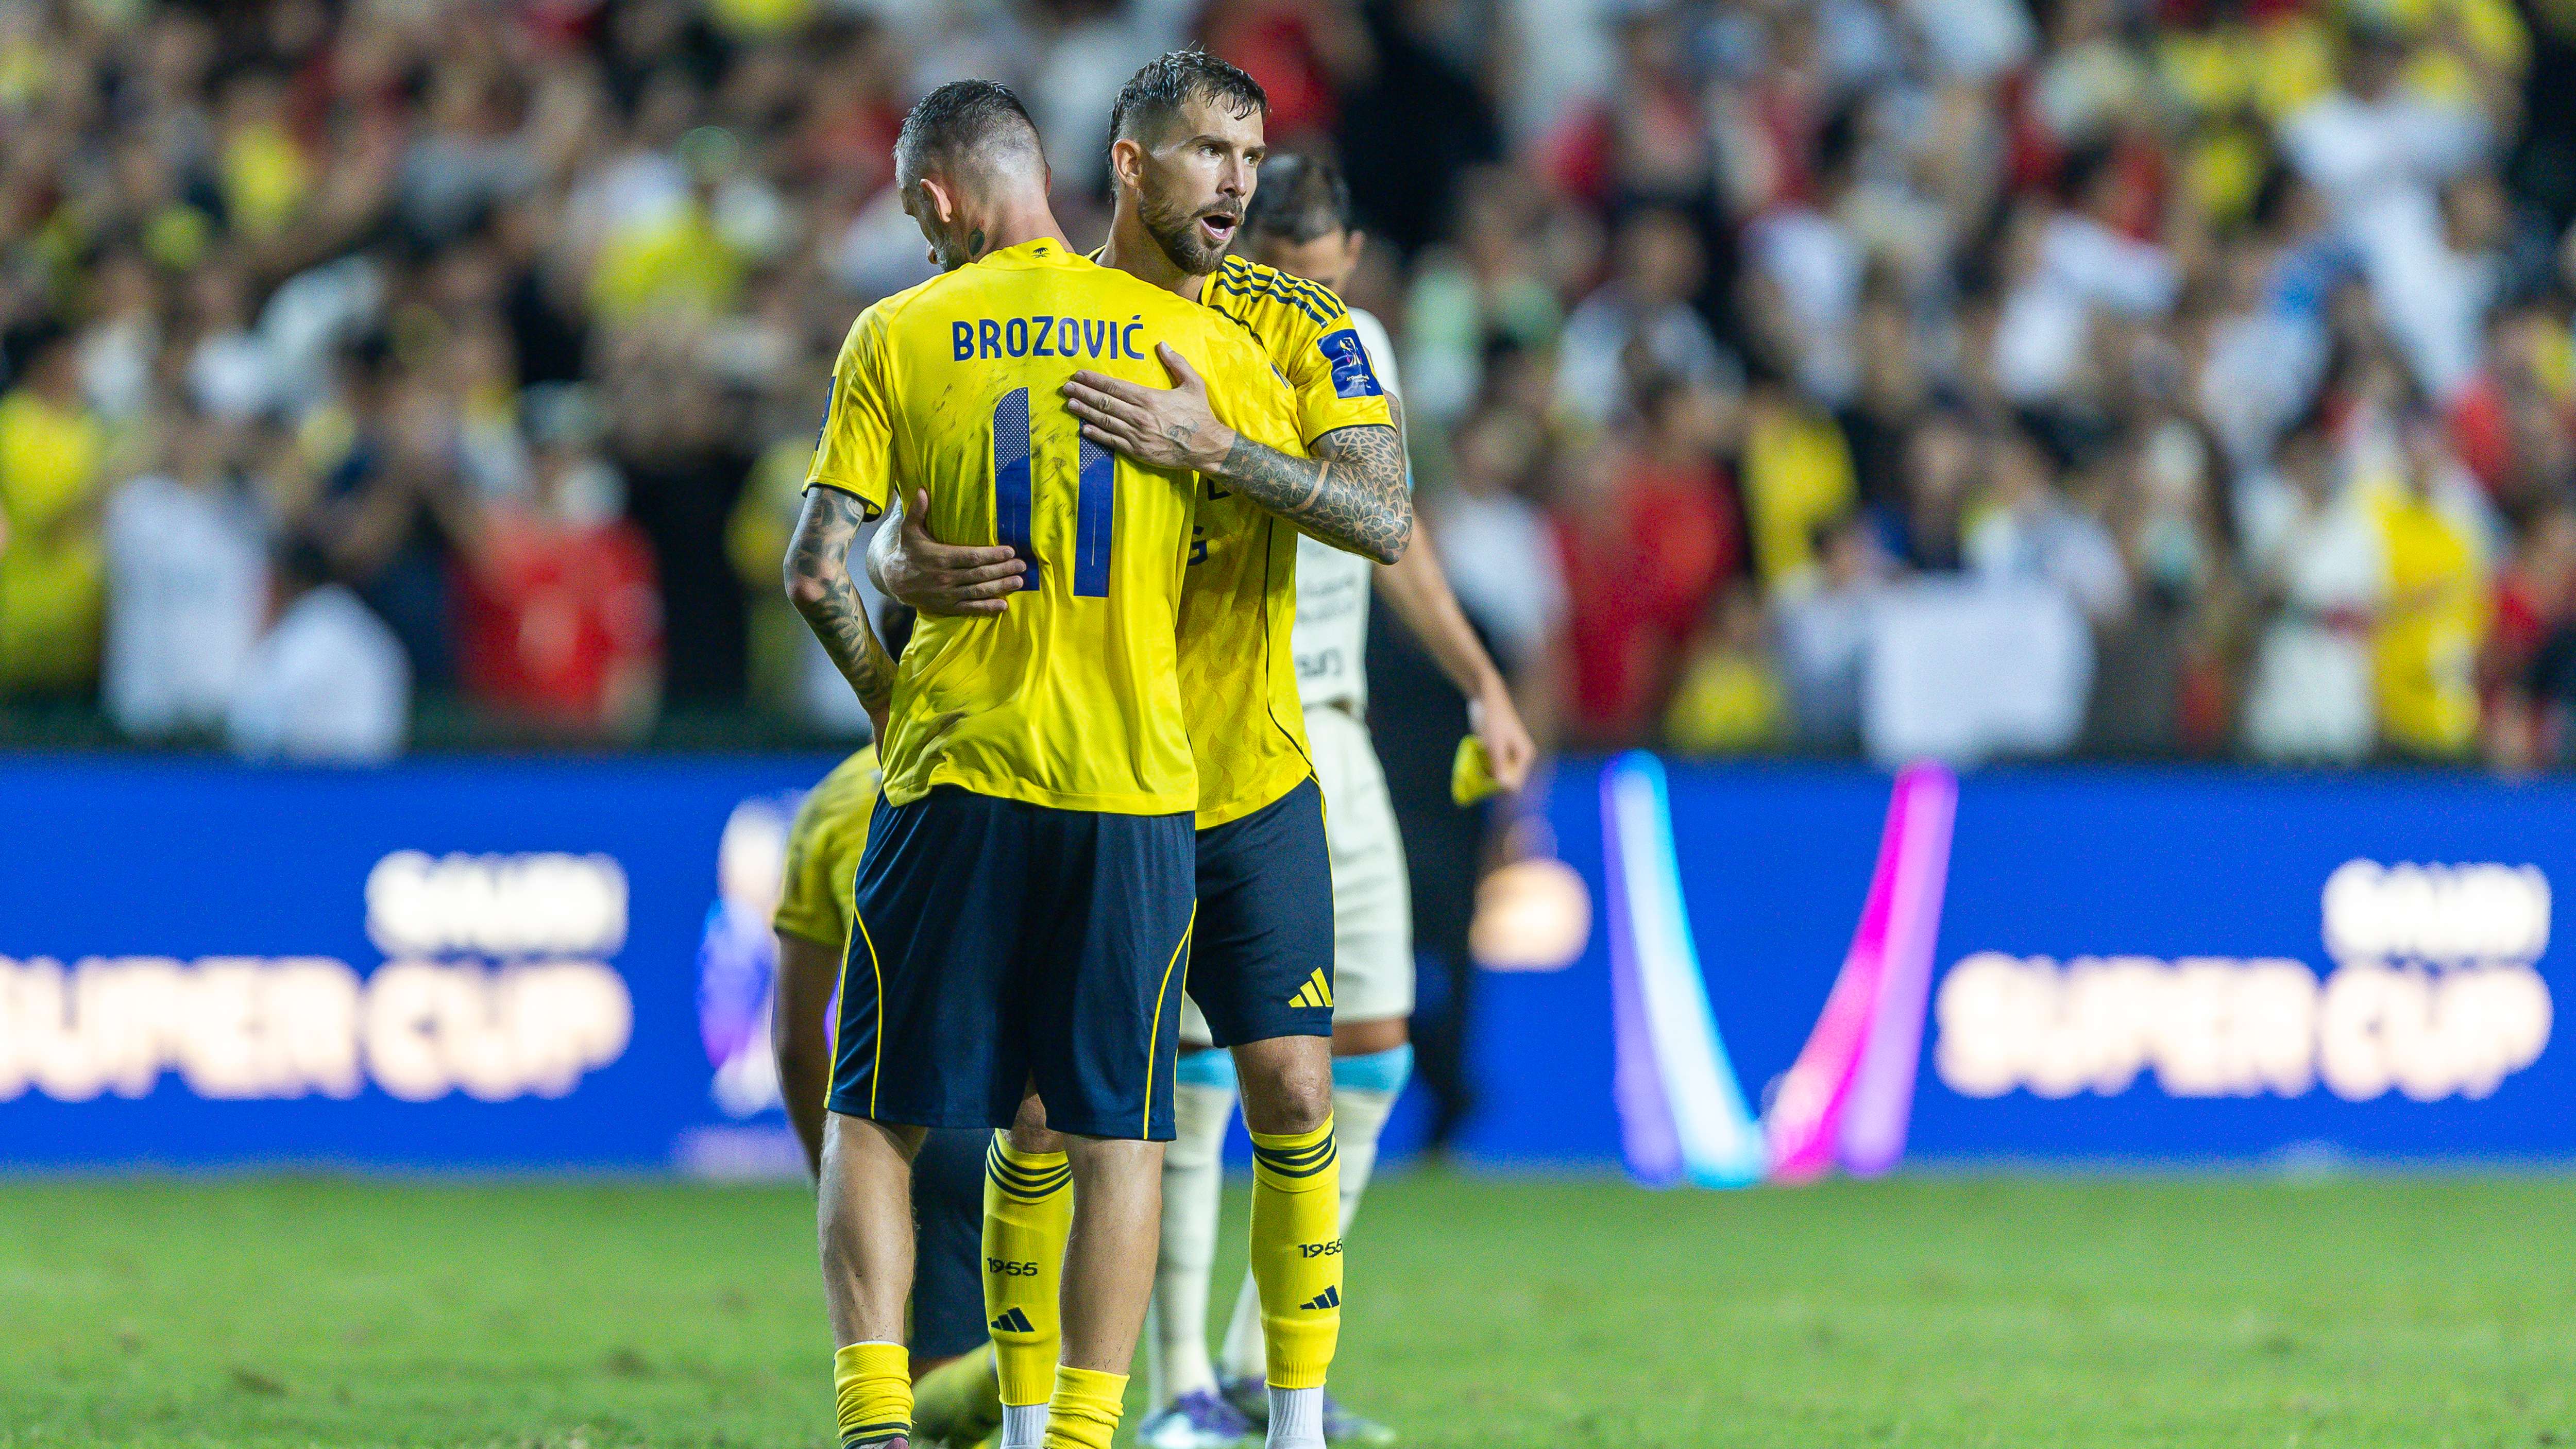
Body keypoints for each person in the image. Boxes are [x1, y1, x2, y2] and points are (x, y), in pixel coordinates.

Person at [868, 54, 1416, 1449]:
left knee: (1293, 1083)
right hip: (1095, 781)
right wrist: (892, 558)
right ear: (1126, 161)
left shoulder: (1304, 324)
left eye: (1252, 153)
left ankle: (1285, 1420)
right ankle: (1040, 1416)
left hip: (1244, 777)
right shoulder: (1022, 325)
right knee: (1047, 1115)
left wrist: (1219, 448)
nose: (1236, 180)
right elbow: (906, 508)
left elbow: (1383, 513)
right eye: (1205, 151)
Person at [778, 80, 1308, 1449]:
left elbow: (816, 570)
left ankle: (877, 1421)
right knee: (1119, 1129)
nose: (919, 237)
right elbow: (1321, 520)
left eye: (913, 215)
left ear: (940, 197)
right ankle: (1079, 1434)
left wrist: (895, 699)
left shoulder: (899, 330)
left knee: (877, 1113)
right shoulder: (1183, 336)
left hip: (958, 775)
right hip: (1135, 788)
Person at [1143, 151, 1537, 1449]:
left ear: (1350, 260)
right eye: (1277, 274)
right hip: (1221, 726)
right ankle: (1175, 1387)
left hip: (1344, 733)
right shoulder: (1184, 322)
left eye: (1318, 280)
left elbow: (1395, 526)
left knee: (1368, 1051)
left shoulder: (1353, 344)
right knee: (1204, 1072)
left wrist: (1481, 677)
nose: (1298, 302)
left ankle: (1265, 1366)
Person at [770, 744, 1005, 1447]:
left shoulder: (836, 797)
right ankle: (1026, 1363)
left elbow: (794, 1038)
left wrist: (835, 1177)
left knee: (924, 1395)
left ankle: (997, 1373)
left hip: (913, 1114)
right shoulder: (1038, 748)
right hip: (1051, 1101)